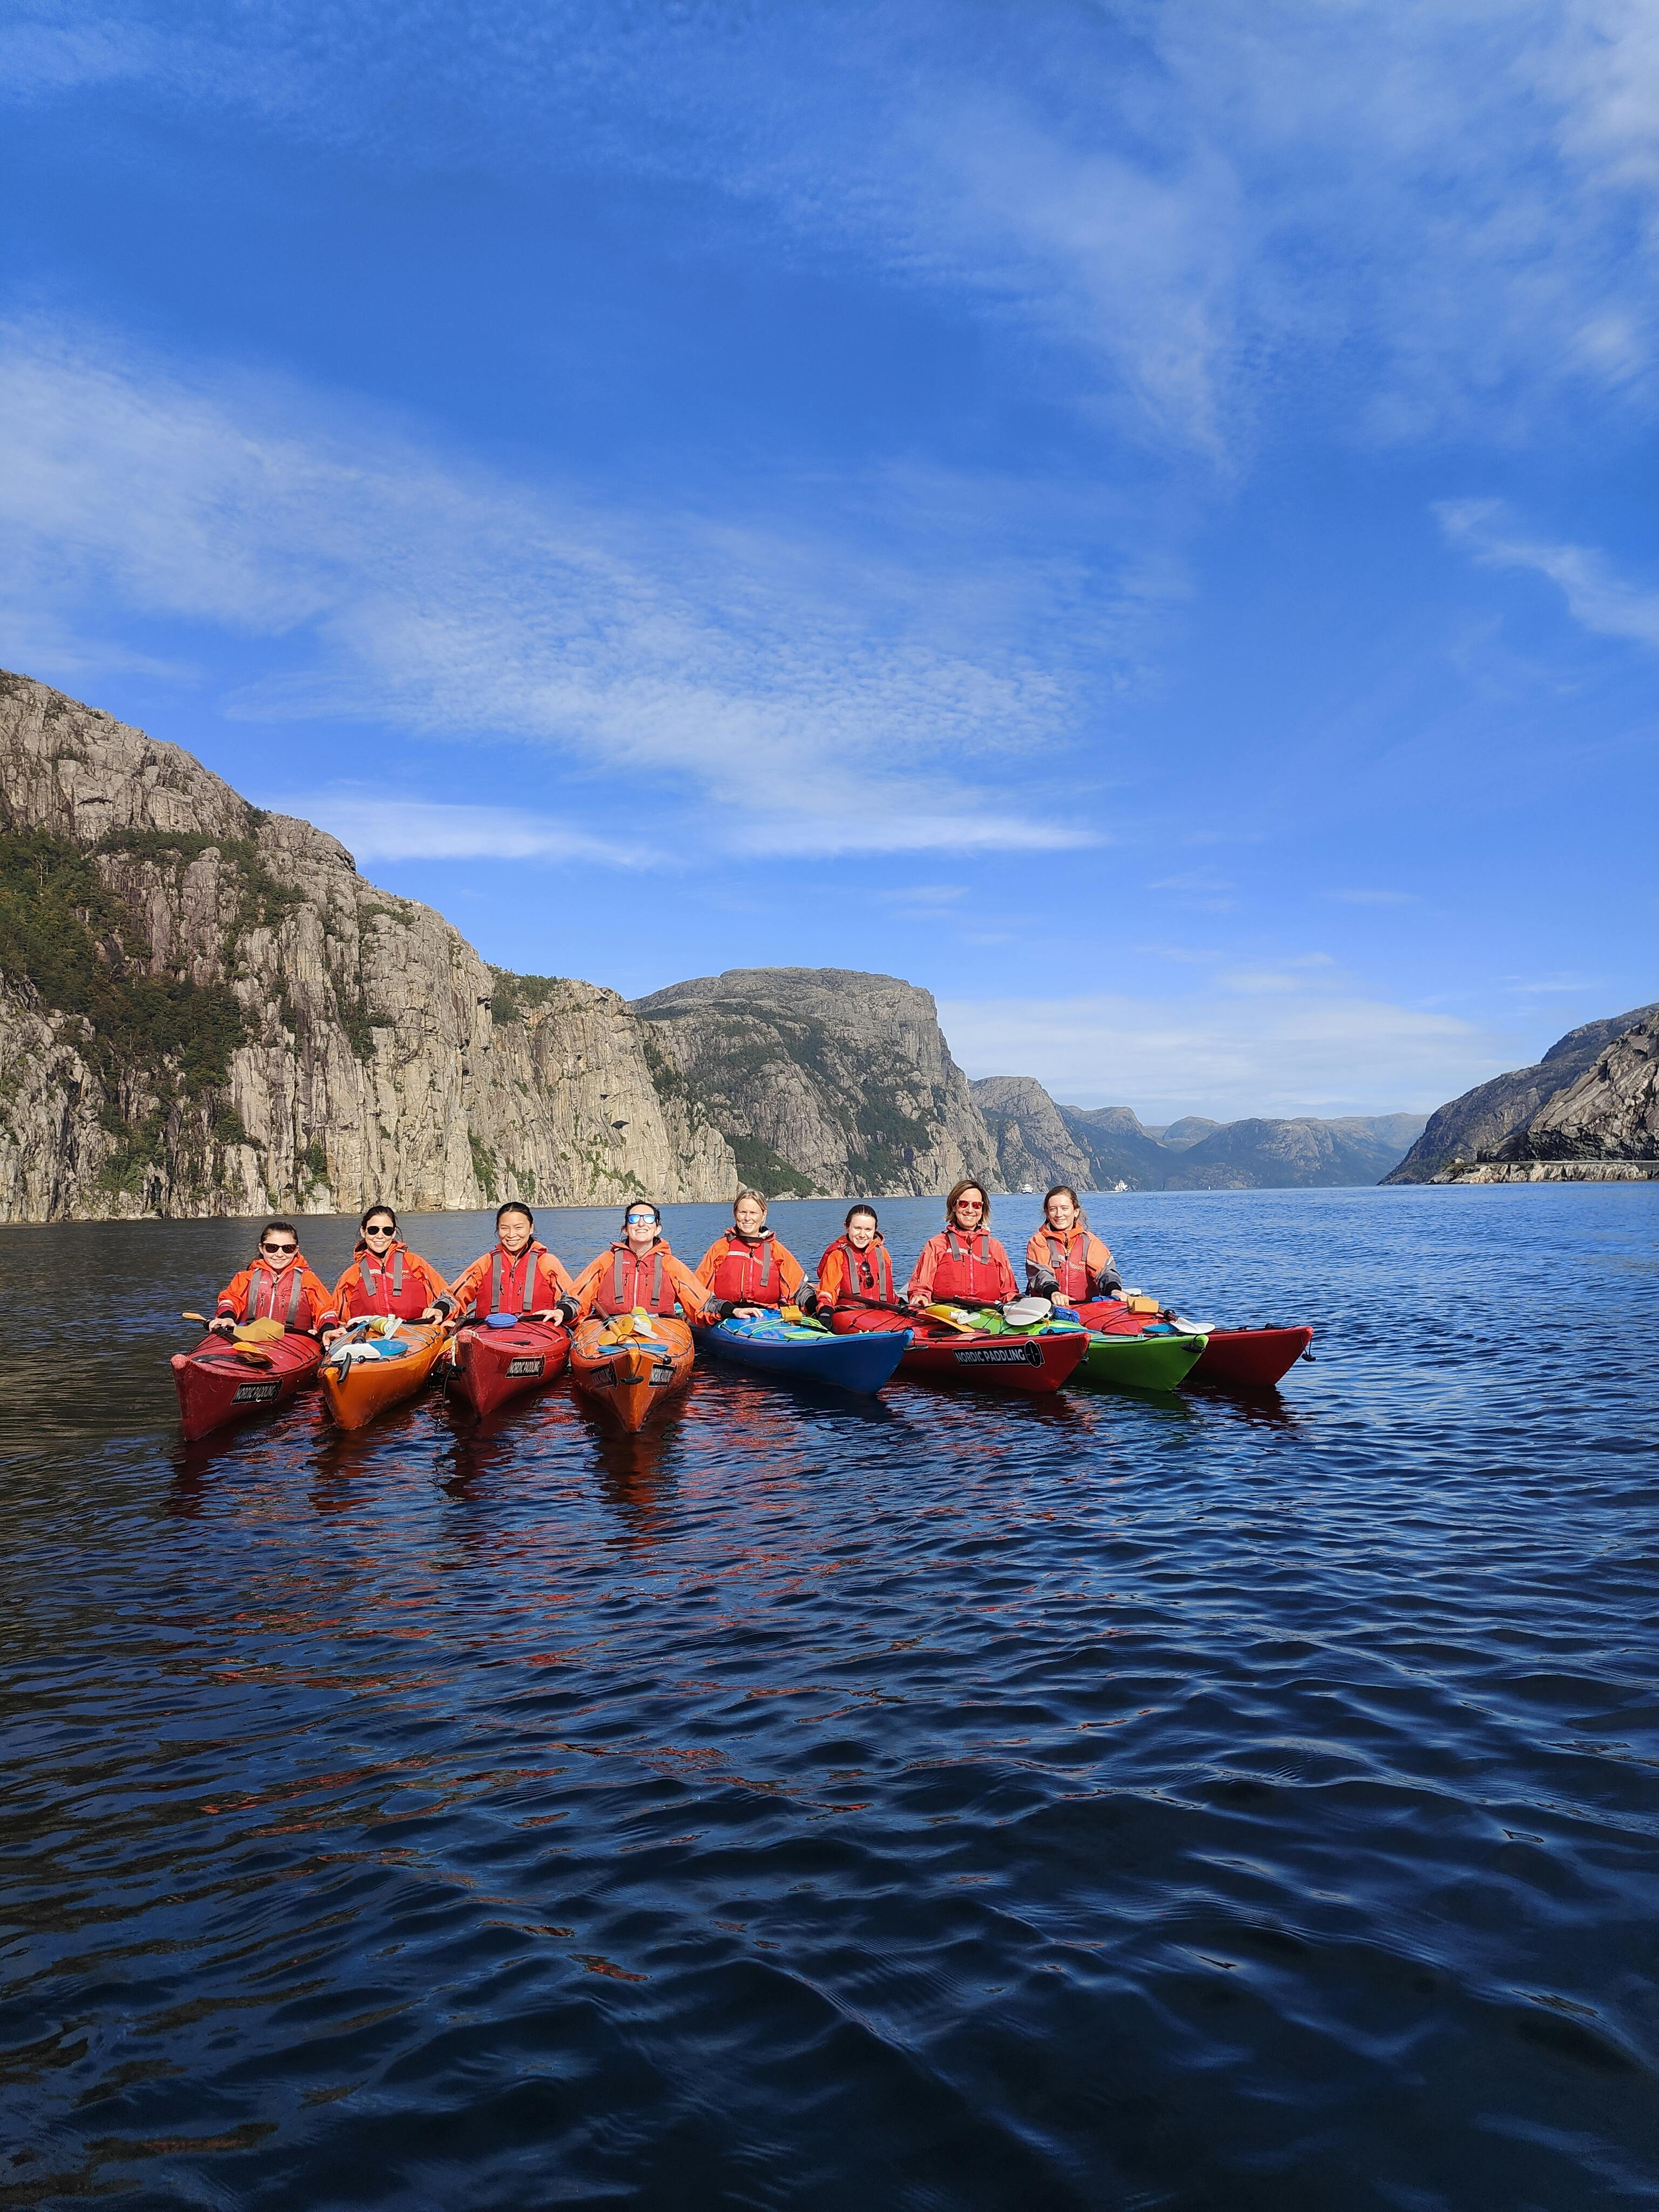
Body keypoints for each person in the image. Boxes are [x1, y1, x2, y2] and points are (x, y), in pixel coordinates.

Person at [563, 1203, 743, 1326]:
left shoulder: (669, 1264)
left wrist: (732, 1310)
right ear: (625, 1228)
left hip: (660, 1329)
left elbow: (702, 1303)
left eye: (648, 1218)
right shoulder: (606, 1261)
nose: (641, 1223)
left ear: (657, 1229)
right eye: (634, 1219)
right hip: (611, 1327)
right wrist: (562, 1312)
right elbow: (577, 1297)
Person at [331, 1206, 454, 1336]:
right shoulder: (352, 1274)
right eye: (373, 1230)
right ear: (364, 1232)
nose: (380, 1236)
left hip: (417, 1332)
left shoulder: (414, 1263)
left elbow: (448, 1297)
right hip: (368, 1335)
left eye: (387, 1231)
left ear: (394, 1233)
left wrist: (440, 1310)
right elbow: (337, 1315)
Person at [449, 1202, 576, 1325]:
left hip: (538, 1332)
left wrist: (561, 1311)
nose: (511, 1235)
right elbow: (454, 1296)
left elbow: (571, 1299)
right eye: (504, 1228)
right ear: (498, 1230)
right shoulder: (486, 1263)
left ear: (531, 1228)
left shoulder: (547, 1262)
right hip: (489, 1332)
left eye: (518, 1228)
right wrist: (440, 1309)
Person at [211, 1220, 338, 1338]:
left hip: (295, 1342)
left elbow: (325, 1310)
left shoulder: (308, 1279)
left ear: (296, 1250)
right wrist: (227, 1318)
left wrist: (328, 1330)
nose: (279, 1254)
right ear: (262, 1248)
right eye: (272, 1247)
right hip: (250, 1339)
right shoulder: (246, 1278)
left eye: (288, 1248)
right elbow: (231, 1301)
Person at [905, 1181, 1019, 1309]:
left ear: (982, 1210)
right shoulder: (936, 1245)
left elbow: (1009, 1292)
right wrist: (921, 1297)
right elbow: (920, 1288)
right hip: (946, 1313)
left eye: (976, 1205)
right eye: (964, 1204)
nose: (970, 1210)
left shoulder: (995, 1247)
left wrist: (1016, 1303)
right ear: (954, 1207)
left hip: (988, 1313)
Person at [696, 1189, 812, 1311]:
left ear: (764, 1215)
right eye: (743, 1212)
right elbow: (699, 1292)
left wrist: (820, 1308)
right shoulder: (720, 1248)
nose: (747, 1218)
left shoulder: (776, 1250)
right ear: (735, 1213)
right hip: (727, 1313)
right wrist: (727, 1311)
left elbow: (800, 1290)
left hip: (768, 1315)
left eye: (753, 1213)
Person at [1024, 1185, 1122, 1306]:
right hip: (1050, 1308)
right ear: (1047, 1213)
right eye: (1053, 1209)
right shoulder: (1039, 1241)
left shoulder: (1090, 1241)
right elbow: (1041, 1274)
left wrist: (1115, 1290)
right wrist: (1054, 1293)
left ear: (1076, 1212)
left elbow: (1106, 1272)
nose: (1059, 1214)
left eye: (1064, 1208)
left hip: (1087, 1308)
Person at [817, 1204, 896, 1311]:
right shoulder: (838, 1254)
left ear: (875, 1230)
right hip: (849, 1313)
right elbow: (827, 1290)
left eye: (868, 1229)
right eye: (857, 1228)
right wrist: (825, 1309)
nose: (862, 1235)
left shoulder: (882, 1253)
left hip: (885, 1312)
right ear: (847, 1227)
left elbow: (889, 1287)